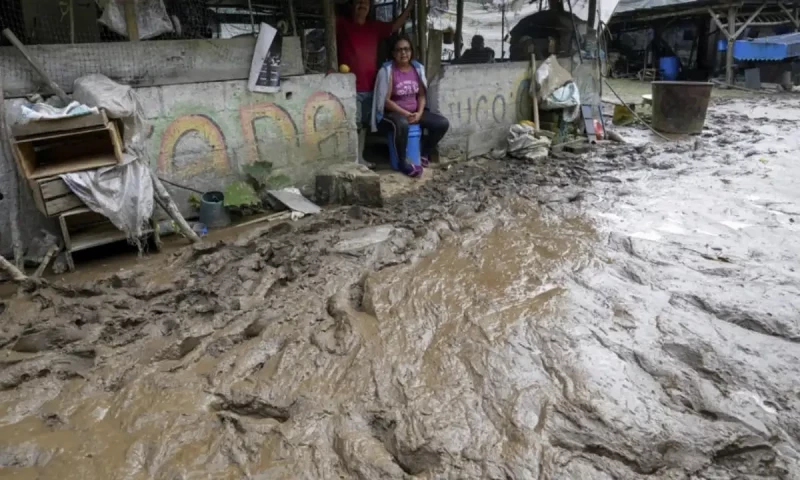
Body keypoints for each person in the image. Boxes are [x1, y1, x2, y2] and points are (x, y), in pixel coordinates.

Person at [337, 0, 415, 168]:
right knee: (353, 124)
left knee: (364, 124)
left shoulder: (374, 27)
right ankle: (350, 160)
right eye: (358, 2)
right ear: (352, 5)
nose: (362, 5)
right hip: (349, 87)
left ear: (370, 7)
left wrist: (410, 6)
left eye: (365, 2)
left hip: (370, 86)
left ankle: (359, 158)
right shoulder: (342, 24)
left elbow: (394, 26)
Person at [372, 34, 450, 177]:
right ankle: (403, 163)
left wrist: (419, 113)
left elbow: (421, 95)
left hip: (414, 112)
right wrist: (406, 114)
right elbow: (386, 101)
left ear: (411, 51)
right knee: (402, 123)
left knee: (442, 123)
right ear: (393, 53)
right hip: (392, 115)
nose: (403, 53)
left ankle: (424, 153)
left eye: (406, 49)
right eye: (399, 50)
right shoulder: (388, 71)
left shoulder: (417, 69)